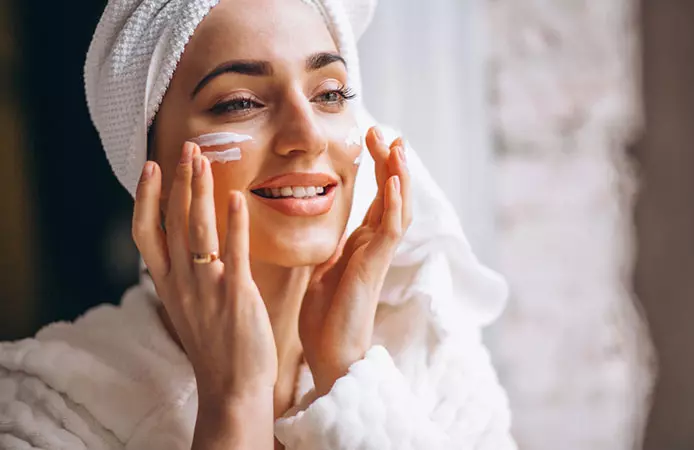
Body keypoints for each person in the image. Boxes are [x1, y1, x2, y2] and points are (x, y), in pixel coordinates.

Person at [0, 0, 516, 448]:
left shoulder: (435, 365)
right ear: (146, 167)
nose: (308, 134)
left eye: (330, 93)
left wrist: (348, 380)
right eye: (239, 102)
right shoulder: (49, 405)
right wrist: (235, 401)